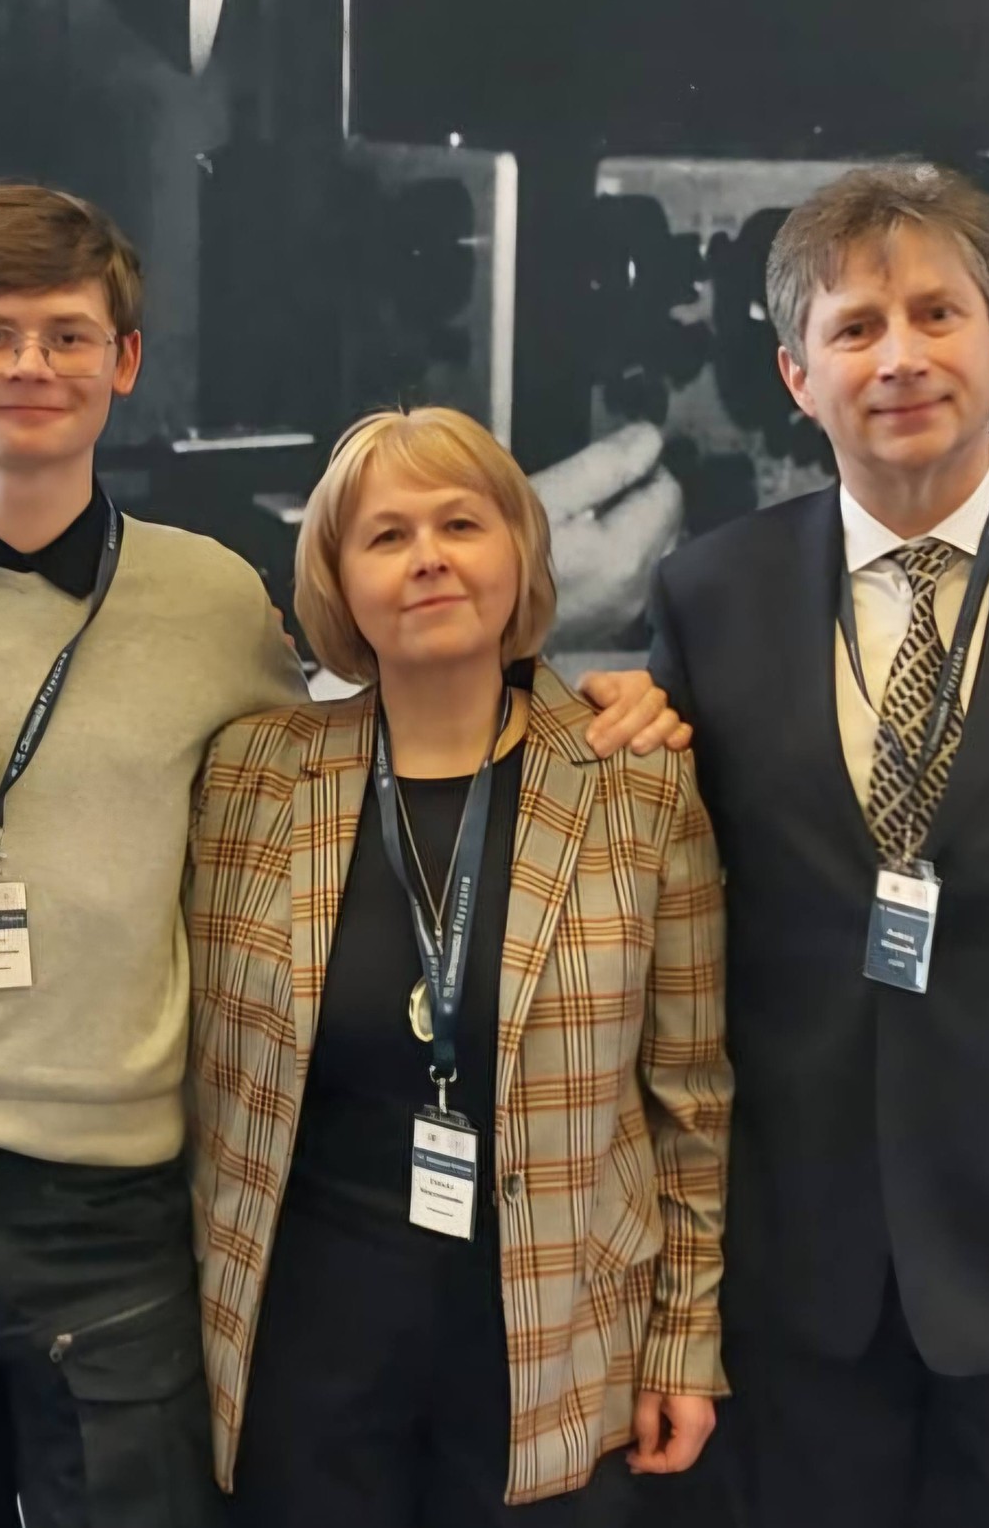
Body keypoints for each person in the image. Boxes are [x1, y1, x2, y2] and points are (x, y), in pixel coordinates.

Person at [0, 182, 687, 1526]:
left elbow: (376, 731)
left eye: (69, 335)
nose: (31, 365)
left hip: (115, 1199)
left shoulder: (212, 601)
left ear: (125, 360)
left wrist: (602, 698)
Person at [636, 161, 989, 1527]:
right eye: (855, 327)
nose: (900, 358)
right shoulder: (711, 598)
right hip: (801, 1291)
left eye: (937, 313)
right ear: (795, 374)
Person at [186, 406, 730, 1525]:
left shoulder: (636, 781)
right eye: (386, 536)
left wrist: (684, 1335)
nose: (427, 557)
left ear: (519, 550)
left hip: (552, 1349)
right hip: (306, 1355)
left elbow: (692, 1097)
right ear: (337, 582)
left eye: (460, 524)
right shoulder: (248, 776)